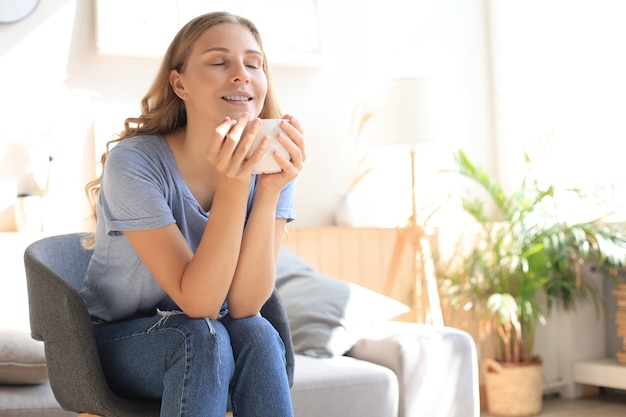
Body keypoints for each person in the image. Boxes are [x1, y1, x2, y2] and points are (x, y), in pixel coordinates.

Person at [79, 11, 305, 417]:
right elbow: (199, 304)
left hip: (212, 328)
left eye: (254, 64)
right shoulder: (136, 163)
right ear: (179, 83)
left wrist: (268, 191)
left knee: (257, 332)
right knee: (201, 336)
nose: (241, 75)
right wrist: (235, 186)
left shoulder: (274, 164)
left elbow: (246, 304)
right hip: (122, 341)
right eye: (219, 62)